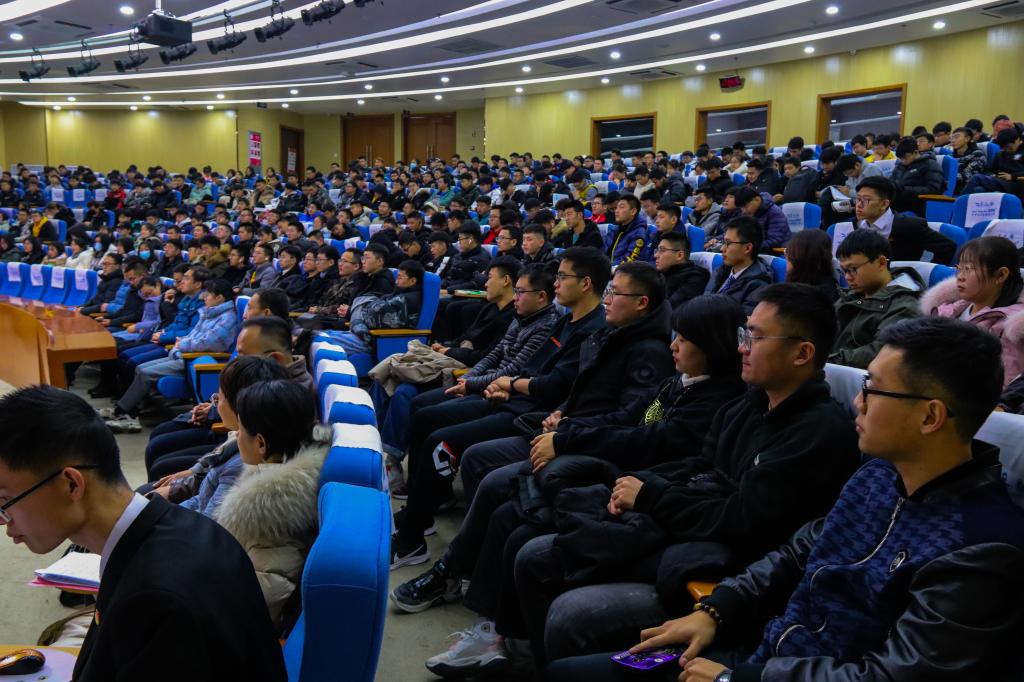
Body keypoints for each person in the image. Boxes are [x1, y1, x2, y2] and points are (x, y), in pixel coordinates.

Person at [550, 316, 1024, 682]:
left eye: (873, 390)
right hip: (764, 649)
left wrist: (739, 678)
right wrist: (718, 609)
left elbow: (890, 675)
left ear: (930, 417)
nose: (857, 402)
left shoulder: (980, 548)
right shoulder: (879, 474)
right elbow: (800, 551)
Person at [0, 385, 286, 681]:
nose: (1, 520)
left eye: (4, 500)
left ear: (71, 485)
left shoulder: (156, 602)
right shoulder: (180, 529)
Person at [391, 249, 610, 565]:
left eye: (563, 277)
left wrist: (509, 384)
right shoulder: (568, 322)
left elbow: (555, 385)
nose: (556, 284)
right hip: (512, 400)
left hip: (530, 415)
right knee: (427, 419)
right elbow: (531, 368)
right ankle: (418, 518)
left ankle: (415, 540)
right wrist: (503, 385)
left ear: (586, 283)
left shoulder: (592, 330)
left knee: (440, 443)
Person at [214, 378, 331, 631]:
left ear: (261, 443)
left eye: (240, 428)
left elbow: (241, 611)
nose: (236, 435)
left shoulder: (265, 519)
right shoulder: (288, 496)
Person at [103, 279, 240, 433]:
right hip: (183, 354)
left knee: (145, 373)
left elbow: (210, 343)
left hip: (193, 360)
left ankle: (124, 413)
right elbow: (192, 336)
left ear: (220, 297)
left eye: (208, 295)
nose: (204, 298)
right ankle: (127, 412)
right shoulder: (209, 313)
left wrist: (180, 345)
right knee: (140, 368)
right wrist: (180, 344)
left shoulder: (227, 318)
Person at [921, 235, 1024, 386]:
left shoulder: (1009, 327)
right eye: (959, 268)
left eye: (968, 269)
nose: (960, 277)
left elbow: (1005, 385)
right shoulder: (948, 308)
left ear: (1000, 275)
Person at [829, 229, 925, 368]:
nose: (848, 277)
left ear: (881, 263)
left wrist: (824, 362)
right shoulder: (853, 294)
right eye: (844, 271)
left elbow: (880, 352)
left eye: (853, 269)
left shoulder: (905, 306)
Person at [854, 176, 956, 264]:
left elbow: (947, 247)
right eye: (858, 199)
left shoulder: (909, 226)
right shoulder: (856, 223)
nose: (859, 205)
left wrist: (925, 275)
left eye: (866, 200)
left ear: (884, 204)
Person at [704, 216, 773, 314]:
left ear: (747, 248)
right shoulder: (721, 270)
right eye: (723, 242)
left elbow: (740, 320)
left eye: (728, 243)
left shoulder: (758, 285)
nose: (722, 249)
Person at [654, 230, 709, 310]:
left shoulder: (695, 278)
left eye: (662, 250)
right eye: (657, 250)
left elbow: (669, 310)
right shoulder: (661, 273)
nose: (656, 255)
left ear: (679, 255)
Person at [890, 137, 945, 215]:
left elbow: (933, 189)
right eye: (900, 158)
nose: (903, 161)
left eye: (905, 157)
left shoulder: (930, 165)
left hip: (917, 203)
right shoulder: (900, 166)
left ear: (915, 152)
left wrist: (905, 190)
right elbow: (891, 183)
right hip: (898, 199)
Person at [784, 229, 839, 301]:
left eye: (789, 254)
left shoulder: (818, 295)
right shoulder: (797, 285)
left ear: (800, 259)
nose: (786, 257)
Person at [733, 186, 790, 251]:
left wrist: (749, 246)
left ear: (757, 199)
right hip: (755, 249)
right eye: (741, 208)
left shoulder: (774, 212)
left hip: (775, 251)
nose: (744, 211)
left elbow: (775, 241)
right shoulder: (747, 213)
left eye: (746, 206)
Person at [609, 194, 650, 265]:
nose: (616, 211)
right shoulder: (614, 229)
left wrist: (607, 268)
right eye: (616, 208)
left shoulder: (639, 233)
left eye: (621, 207)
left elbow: (629, 260)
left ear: (633, 211)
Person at [949, 125, 989, 193]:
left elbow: (968, 175)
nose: (953, 140)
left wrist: (948, 178)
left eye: (956, 137)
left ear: (967, 139)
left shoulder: (978, 155)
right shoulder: (949, 157)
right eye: (952, 138)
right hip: (951, 184)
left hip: (967, 186)